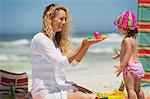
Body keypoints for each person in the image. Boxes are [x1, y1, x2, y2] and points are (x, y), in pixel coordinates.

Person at [30, 4, 104, 99]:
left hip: (58, 86)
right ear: (50, 19)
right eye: (61, 19)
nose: (64, 22)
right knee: (89, 97)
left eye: (65, 19)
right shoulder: (40, 38)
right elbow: (61, 62)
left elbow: (73, 62)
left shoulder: (55, 41)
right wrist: (82, 44)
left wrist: (87, 45)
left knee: (91, 94)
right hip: (44, 92)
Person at [114, 11, 145, 99]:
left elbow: (127, 54)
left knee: (130, 90)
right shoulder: (134, 38)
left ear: (124, 28)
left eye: (118, 27)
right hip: (138, 66)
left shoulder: (126, 40)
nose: (118, 29)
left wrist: (121, 66)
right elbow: (130, 52)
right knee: (137, 89)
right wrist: (119, 55)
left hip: (130, 68)